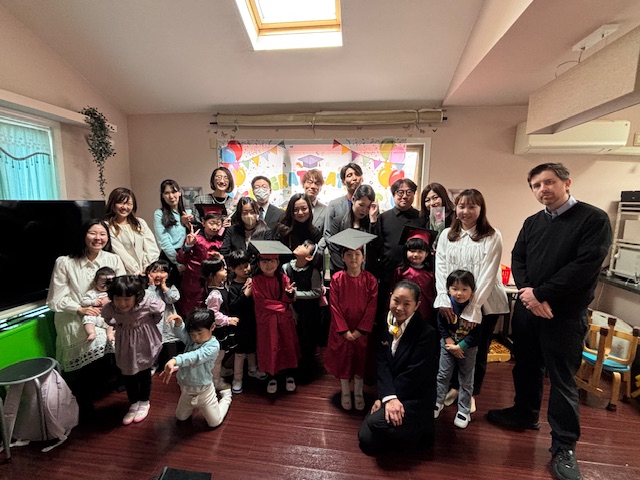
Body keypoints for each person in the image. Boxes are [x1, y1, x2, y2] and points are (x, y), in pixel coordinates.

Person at [487, 163, 612, 480]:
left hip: (564, 315)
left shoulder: (594, 219)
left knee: (561, 380)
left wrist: (541, 294)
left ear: (567, 183)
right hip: (529, 311)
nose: (543, 189)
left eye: (549, 182)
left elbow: (584, 266)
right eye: (536, 185)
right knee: (526, 366)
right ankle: (524, 413)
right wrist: (529, 294)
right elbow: (518, 258)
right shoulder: (533, 222)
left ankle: (564, 446)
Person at [434, 188, 508, 413]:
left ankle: (471, 393)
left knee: (477, 349)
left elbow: (488, 274)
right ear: (455, 209)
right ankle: (454, 388)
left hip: (484, 303)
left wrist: (473, 307)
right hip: (453, 302)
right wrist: (444, 297)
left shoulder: (492, 236)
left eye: (472, 206)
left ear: (481, 209)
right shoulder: (447, 234)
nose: (466, 211)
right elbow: (441, 267)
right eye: (461, 206)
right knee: (452, 346)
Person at [46, 219, 126, 415]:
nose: (98, 238)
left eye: (102, 234)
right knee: (95, 340)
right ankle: (83, 397)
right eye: (93, 233)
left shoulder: (113, 259)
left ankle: (122, 381)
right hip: (74, 315)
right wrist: (80, 309)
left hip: (106, 312)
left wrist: (110, 300)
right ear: (83, 235)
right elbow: (55, 300)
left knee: (123, 335)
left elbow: (122, 287)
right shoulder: (65, 262)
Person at [358, 280, 439, 454]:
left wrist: (391, 399)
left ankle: (420, 430)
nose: (400, 308)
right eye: (396, 301)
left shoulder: (426, 333)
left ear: (417, 305)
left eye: (407, 304)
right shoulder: (385, 322)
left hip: (413, 397)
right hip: (392, 392)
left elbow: (415, 375)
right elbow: (382, 363)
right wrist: (385, 397)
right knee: (365, 440)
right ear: (390, 298)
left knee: (374, 423)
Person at [324, 230, 378, 411]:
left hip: (361, 331)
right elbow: (334, 306)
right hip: (342, 331)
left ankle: (359, 392)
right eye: (348, 254)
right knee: (343, 360)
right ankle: (346, 392)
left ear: (363, 257)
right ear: (342, 258)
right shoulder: (337, 279)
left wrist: (360, 330)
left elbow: (371, 307)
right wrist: (345, 331)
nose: (353, 258)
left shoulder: (370, 280)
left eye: (357, 254)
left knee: (360, 361)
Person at [101, 275, 165, 425]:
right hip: (125, 342)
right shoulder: (111, 307)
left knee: (144, 373)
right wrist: (118, 325)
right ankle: (133, 402)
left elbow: (159, 311)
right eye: (118, 298)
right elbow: (107, 318)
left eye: (127, 298)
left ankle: (144, 401)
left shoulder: (146, 303)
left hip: (144, 340)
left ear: (136, 296)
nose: (122, 303)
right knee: (128, 373)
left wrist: (149, 323)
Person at [160, 309, 232, 428]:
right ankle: (194, 407)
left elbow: (196, 356)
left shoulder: (213, 345)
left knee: (215, 422)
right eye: (192, 334)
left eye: (199, 333)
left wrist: (175, 360)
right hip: (186, 390)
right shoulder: (192, 340)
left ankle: (227, 396)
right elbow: (182, 334)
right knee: (180, 417)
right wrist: (179, 323)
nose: (196, 338)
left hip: (204, 391)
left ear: (212, 327)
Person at [250, 241, 299, 394]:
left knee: (287, 345)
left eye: (272, 261)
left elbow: (288, 299)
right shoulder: (256, 281)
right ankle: (272, 375)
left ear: (277, 262)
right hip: (266, 320)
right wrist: (283, 307)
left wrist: (289, 294)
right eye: (264, 261)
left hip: (283, 321)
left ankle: (289, 374)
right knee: (269, 348)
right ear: (259, 263)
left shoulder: (283, 278)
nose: (268, 265)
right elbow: (261, 302)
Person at [434, 270, 480, 429]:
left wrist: (460, 346)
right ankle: (438, 401)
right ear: (448, 289)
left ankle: (464, 410)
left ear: (472, 290)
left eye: (464, 289)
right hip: (448, 344)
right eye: (454, 289)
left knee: (466, 378)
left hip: (467, 348)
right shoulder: (446, 306)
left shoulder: (476, 308)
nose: (459, 293)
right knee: (443, 374)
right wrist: (449, 342)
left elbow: (477, 333)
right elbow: (441, 325)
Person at [227, 250, 267, 394]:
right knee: (240, 352)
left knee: (252, 348)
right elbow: (233, 307)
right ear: (232, 269)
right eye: (240, 268)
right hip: (241, 325)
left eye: (246, 266)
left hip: (254, 321)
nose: (245, 270)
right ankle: (237, 379)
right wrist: (245, 294)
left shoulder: (252, 280)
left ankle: (252, 369)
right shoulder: (233, 287)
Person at [282, 239, 323, 382]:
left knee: (307, 340)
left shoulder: (313, 272)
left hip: (309, 312)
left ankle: (307, 371)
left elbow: (316, 292)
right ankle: (292, 369)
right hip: (291, 310)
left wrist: (296, 294)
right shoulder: (286, 267)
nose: (300, 245)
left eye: (305, 246)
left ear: (309, 257)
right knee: (293, 339)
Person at [176, 213, 225, 316]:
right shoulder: (195, 238)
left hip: (212, 282)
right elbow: (180, 259)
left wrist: (220, 258)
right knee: (190, 311)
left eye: (218, 224)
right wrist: (188, 245)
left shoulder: (221, 242)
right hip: (193, 280)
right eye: (211, 223)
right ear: (203, 223)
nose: (214, 227)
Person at [202, 257, 239, 391]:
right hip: (218, 330)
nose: (225, 271)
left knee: (221, 354)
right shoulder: (215, 294)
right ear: (212, 275)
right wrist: (228, 320)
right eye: (222, 269)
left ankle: (219, 372)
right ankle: (215, 381)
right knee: (218, 357)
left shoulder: (220, 286)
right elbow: (214, 314)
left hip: (222, 329)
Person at [105, 187, 160, 275]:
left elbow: (151, 246)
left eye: (129, 204)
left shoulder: (140, 223)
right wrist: (136, 270)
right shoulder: (108, 227)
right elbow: (120, 252)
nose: (124, 207)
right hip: (124, 274)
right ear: (112, 204)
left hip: (146, 273)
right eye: (120, 203)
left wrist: (148, 267)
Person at [327, 184, 378, 275]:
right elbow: (334, 251)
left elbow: (375, 248)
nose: (364, 210)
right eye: (361, 205)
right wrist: (348, 273)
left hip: (366, 274)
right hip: (342, 273)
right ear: (353, 200)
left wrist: (373, 220)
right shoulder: (338, 221)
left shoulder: (372, 223)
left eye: (368, 207)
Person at [392, 226, 436, 327]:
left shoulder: (431, 274)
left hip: (425, 314)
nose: (415, 254)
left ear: (427, 253)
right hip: (403, 313)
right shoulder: (400, 272)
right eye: (412, 251)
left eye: (420, 251)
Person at [145, 259, 183, 373]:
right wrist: (152, 287)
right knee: (152, 344)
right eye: (154, 271)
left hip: (167, 320)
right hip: (152, 321)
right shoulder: (145, 289)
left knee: (170, 342)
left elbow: (173, 298)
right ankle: (152, 365)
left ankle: (172, 363)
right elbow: (149, 302)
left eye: (162, 272)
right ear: (148, 273)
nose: (158, 275)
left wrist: (164, 287)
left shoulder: (171, 287)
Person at [153, 179, 188, 287]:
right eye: (167, 193)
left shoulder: (188, 213)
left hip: (187, 255)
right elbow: (163, 241)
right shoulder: (159, 214)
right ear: (162, 196)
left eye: (173, 192)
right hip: (170, 258)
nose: (171, 196)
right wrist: (177, 262)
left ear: (179, 193)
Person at [219, 197, 271, 264]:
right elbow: (224, 252)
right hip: (237, 267)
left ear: (257, 212)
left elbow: (267, 256)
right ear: (240, 214)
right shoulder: (232, 230)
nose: (249, 215)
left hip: (257, 268)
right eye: (245, 213)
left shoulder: (266, 231)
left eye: (252, 212)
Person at [323, 162, 363, 244]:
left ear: (362, 178)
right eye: (349, 175)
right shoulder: (334, 205)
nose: (354, 178)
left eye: (357, 174)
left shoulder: (369, 205)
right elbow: (327, 234)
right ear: (343, 181)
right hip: (338, 250)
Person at [81, 266, 116, 343]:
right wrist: (93, 302)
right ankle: (91, 333)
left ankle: (110, 334)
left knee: (114, 321)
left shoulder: (113, 293)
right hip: (96, 315)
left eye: (109, 284)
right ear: (95, 283)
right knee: (87, 318)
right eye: (102, 285)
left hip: (108, 316)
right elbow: (83, 301)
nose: (106, 287)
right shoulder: (92, 293)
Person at [302, 169, 328, 233]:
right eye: (309, 182)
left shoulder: (326, 210)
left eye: (317, 183)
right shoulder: (294, 206)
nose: (313, 186)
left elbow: (326, 234)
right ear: (303, 184)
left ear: (320, 188)